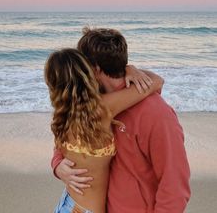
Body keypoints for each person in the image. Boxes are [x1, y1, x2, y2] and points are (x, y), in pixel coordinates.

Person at [51, 28, 191, 213]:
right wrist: (58, 165)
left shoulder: (157, 115)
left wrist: (133, 70)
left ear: (94, 69)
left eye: (83, 64)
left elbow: (174, 185)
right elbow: (65, 140)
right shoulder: (91, 104)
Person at [45, 48, 164, 213]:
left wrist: (57, 165)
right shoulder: (102, 108)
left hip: (67, 204)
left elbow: (59, 149)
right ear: (87, 73)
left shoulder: (61, 114)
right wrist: (130, 69)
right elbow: (156, 81)